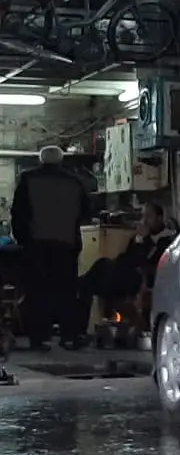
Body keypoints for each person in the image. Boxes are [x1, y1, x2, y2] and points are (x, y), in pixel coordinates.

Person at [11, 145, 91, 350]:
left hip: (36, 245)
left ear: (41, 160)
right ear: (61, 160)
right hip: (66, 245)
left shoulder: (28, 179)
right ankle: (68, 336)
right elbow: (86, 212)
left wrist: (23, 240)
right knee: (66, 292)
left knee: (37, 293)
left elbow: (18, 213)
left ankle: (39, 339)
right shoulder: (75, 181)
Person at [74, 201, 175, 341]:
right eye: (143, 216)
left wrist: (146, 239)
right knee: (92, 277)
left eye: (148, 216)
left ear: (159, 218)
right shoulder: (138, 237)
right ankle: (79, 330)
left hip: (139, 279)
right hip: (122, 275)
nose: (144, 221)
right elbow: (126, 257)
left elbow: (152, 261)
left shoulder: (167, 239)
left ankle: (80, 283)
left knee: (98, 272)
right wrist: (138, 241)